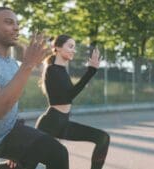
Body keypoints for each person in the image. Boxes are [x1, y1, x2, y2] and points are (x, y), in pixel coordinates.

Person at [0, 7, 69, 169]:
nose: (16, 27)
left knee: (58, 153)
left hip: (9, 134)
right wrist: (28, 65)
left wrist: (20, 149)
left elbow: (12, 102)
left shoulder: (11, 63)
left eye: (17, 23)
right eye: (9, 22)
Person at [35, 34, 110, 169]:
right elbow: (68, 96)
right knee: (27, 164)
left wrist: (91, 71)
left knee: (103, 138)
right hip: (50, 124)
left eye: (74, 47)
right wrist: (91, 71)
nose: (73, 50)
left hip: (63, 123)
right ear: (57, 47)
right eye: (70, 46)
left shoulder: (62, 70)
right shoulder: (51, 70)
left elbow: (69, 94)